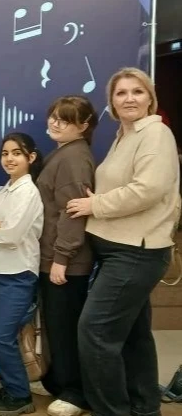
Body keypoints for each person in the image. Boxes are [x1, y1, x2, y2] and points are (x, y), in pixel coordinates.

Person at [67, 67, 180, 416]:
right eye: (121, 93)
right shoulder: (125, 136)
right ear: (112, 103)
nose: (129, 98)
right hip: (118, 248)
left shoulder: (155, 133)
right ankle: (145, 407)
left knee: (95, 332)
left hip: (136, 252)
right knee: (132, 335)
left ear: (150, 98)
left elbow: (148, 189)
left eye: (137, 91)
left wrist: (95, 205)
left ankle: (111, 410)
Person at [0, 132, 44, 416]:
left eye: (16, 153)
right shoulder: (0, 192)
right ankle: (10, 388)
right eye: (5, 153)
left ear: (31, 157)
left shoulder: (29, 193)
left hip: (18, 274)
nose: (9, 158)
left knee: (2, 335)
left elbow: (12, 235)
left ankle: (20, 396)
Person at [36, 96, 98, 416]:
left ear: (83, 126)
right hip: (53, 258)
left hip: (66, 263)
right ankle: (60, 383)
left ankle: (75, 392)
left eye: (65, 119)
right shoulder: (63, 153)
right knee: (55, 326)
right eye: (53, 116)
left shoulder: (74, 158)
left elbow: (72, 212)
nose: (55, 123)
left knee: (65, 328)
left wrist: (61, 258)